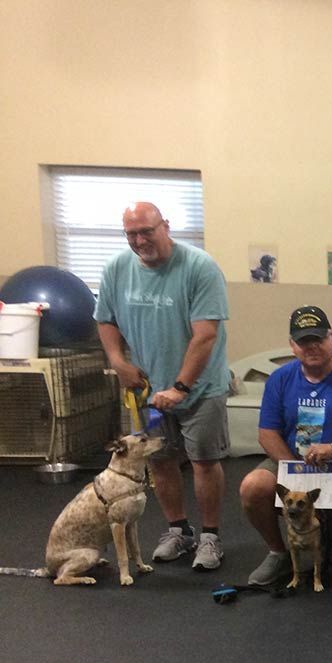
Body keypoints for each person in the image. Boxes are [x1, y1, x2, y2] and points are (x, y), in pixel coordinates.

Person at [96, 201, 231, 570]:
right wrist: (118, 361)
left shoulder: (199, 267)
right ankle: (178, 531)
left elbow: (206, 336)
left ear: (165, 226)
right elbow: (105, 319)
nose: (140, 240)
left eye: (147, 231)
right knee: (159, 460)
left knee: (204, 461)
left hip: (200, 388)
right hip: (145, 391)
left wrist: (181, 387)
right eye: (132, 234)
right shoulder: (116, 269)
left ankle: (210, 537)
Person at [239, 306, 332, 586]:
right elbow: (267, 434)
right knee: (253, 486)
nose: (311, 347)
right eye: (303, 341)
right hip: (292, 464)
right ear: (292, 345)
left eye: (318, 339)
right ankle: (278, 552)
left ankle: (330, 538)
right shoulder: (280, 379)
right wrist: (295, 475)